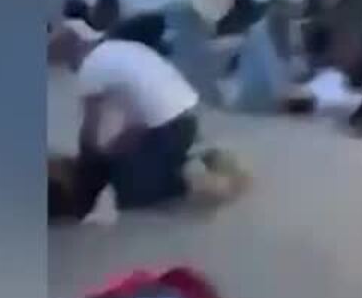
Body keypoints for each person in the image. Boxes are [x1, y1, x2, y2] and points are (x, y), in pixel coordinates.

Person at [47, 21, 238, 221]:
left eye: (63, 56)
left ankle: (203, 184)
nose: (66, 66)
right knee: (119, 162)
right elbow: (134, 114)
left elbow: (92, 133)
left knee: (131, 195)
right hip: (189, 119)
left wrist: (90, 167)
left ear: (76, 45)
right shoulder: (121, 48)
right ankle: (200, 158)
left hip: (167, 129)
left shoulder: (91, 67)